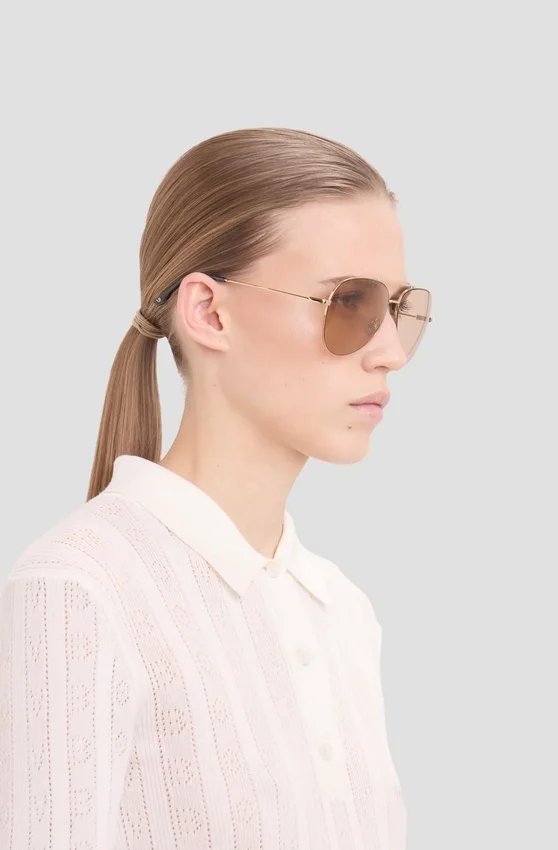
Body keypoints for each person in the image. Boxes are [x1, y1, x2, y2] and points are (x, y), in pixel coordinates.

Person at [0, 127, 432, 849]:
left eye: (396, 309)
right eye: (348, 303)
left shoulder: (343, 613)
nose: (389, 352)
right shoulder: (80, 588)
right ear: (208, 312)